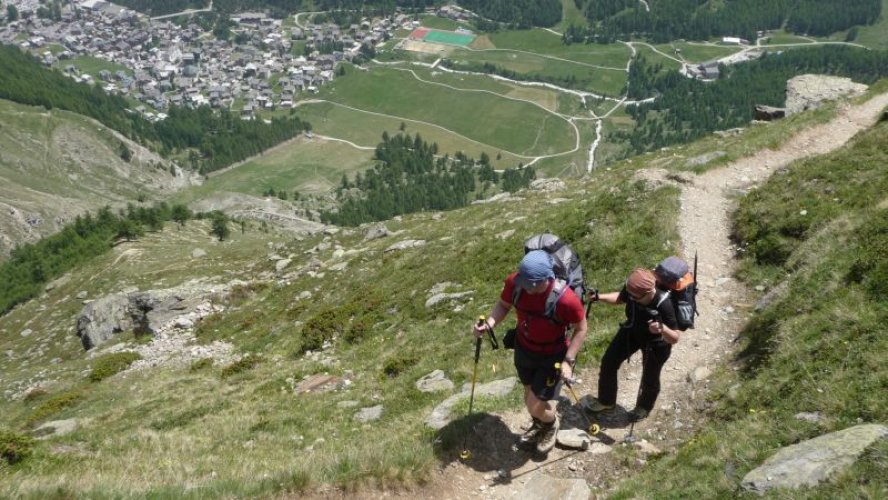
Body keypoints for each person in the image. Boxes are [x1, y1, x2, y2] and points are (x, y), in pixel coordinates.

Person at [473, 250, 587, 455]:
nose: (527, 290)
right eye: (524, 284)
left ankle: (551, 424)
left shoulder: (566, 300)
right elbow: (503, 305)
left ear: (547, 278)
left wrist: (568, 361)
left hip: (553, 355)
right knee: (529, 394)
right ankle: (539, 423)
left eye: (532, 286)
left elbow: (581, 328)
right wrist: (489, 325)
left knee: (534, 404)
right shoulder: (515, 284)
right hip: (524, 348)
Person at [583, 267, 681, 422]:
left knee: (650, 376)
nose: (632, 299)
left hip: (656, 343)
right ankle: (606, 401)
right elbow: (621, 298)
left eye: (636, 298)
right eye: (631, 296)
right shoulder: (633, 290)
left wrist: (662, 329)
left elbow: (675, 337)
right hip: (632, 330)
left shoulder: (664, 303)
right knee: (609, 361)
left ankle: (644, 407)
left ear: (650, 292)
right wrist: (598, 297)